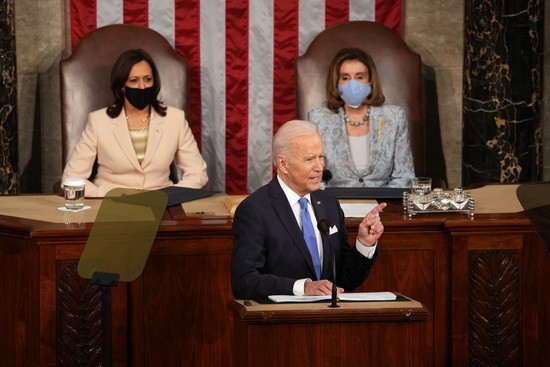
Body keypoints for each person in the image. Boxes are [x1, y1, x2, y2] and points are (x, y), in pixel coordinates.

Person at [230, 120, 386, 299]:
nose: (319, 167)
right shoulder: (255, 210)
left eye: (321, 157)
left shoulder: (328, 203)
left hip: (328, 319)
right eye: (309, 159)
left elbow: (345, 279)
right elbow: (243, 281)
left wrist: (364, 243)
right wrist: (302, 288)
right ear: (283, 164)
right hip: (281, 320)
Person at [62, 49, 208, 197]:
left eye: (147, 79)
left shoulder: (175, 119)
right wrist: (103, 195)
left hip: (160, 206)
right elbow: (71, 177)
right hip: (111, 206)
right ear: (122, 86)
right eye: (134, 80)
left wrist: (170, 195)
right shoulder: (98, 121)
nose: (142, 87)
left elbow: (198, 173)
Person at [308, 47, 415, 188]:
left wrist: (382, 205)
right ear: (336, 83)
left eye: (360, 77)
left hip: (384, 204)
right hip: (336, 204)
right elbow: (313, 176)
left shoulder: (394, 118)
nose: (353, 84)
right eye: (345, 78)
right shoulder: (318, 119)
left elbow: (404, 176)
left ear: (370, 80)